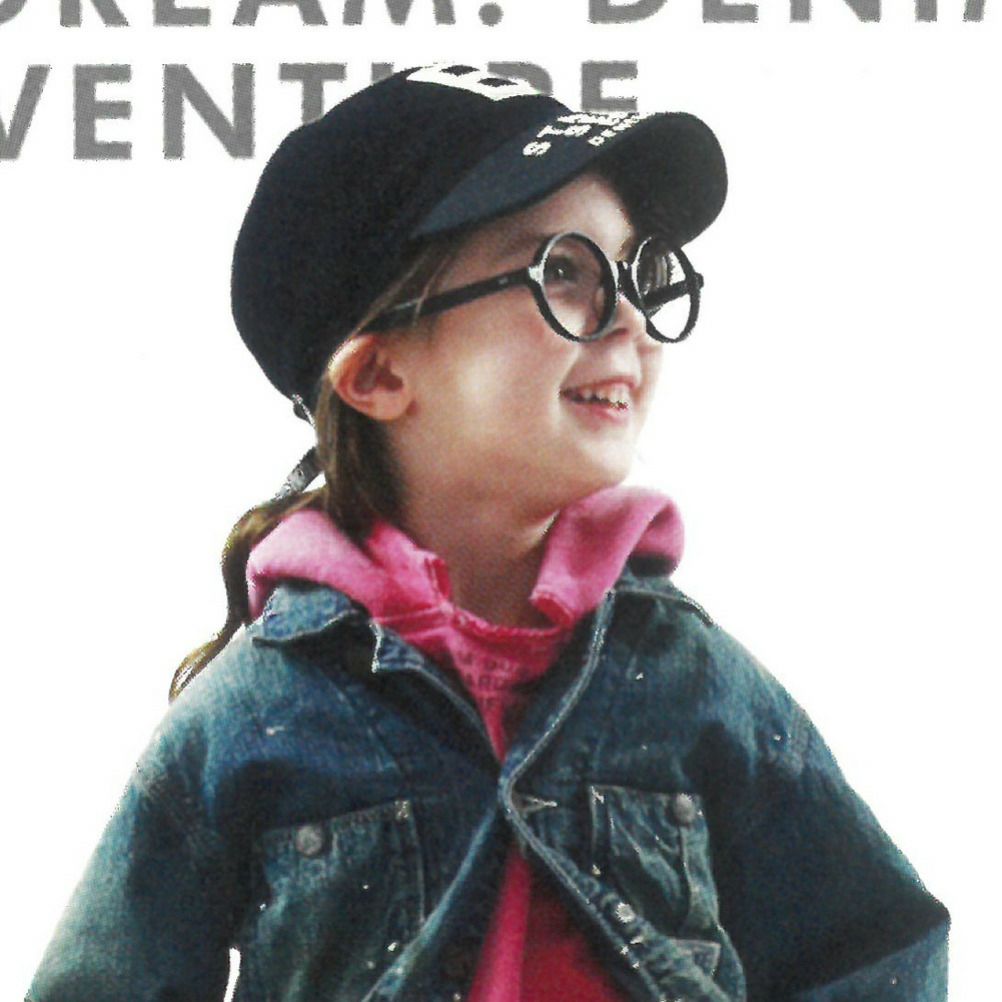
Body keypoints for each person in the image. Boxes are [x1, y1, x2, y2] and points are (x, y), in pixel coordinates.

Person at [28, 64, 948, 1002]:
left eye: (636, 271)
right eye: (564, 272)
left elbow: (878, 946)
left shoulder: (690, 678)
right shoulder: (253, 714)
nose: (632, 319)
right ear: (379, 376)